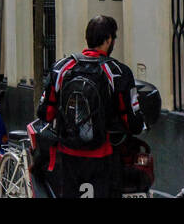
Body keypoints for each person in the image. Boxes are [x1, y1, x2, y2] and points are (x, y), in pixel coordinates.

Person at [36, 14, 144, 199]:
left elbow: (45, 113)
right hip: (103, 155)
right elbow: (132, 121)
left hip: (68, 154)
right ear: (109, 40)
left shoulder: (61, 67)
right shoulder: (118, 72)